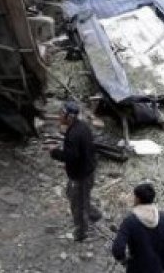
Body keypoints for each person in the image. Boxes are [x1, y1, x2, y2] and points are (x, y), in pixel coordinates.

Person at [50, 101, 101, 241]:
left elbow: (70, 157)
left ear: (69, 116)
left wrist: (54, 152)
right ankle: (93, 214)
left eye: (62, 113)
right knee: (74, 194)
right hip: (87, 171)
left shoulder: (73, 135)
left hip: (81, 176)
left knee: (77, 206)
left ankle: (81, 234)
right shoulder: (82, 126)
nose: (59, 115)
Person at [111, 183, 164, 273]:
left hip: (136, 268)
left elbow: (118, 249)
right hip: (156, 268)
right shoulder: (163, 219)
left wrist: (124, 261)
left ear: (138, 199)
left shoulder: (130, 221)